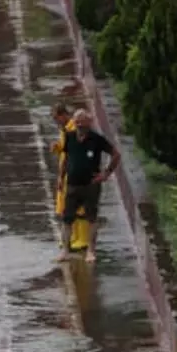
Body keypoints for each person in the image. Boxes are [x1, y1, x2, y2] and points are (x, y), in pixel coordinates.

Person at [56, 109, 120, 263]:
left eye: (82, 121)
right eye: (77, 121)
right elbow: (66, 159)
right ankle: (65, 250)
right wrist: (61, 177)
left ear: (89, 122)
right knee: (67, 219)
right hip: (72, 184)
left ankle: (91, 251)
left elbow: (116, 154)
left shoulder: (96, 139)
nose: (79, 124)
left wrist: (106, 173)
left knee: (91, 218)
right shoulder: (69, 137)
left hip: (90, 185)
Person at [50, 102, 89, 253]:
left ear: (63, 115)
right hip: (68, 172)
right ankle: (73, 237)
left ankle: (82, 239)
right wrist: (57, 147)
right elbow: (64, 148)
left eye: (56, 118)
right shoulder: (66, 129)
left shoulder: (73, 130)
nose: (56, 122)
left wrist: (61, 177)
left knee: (78, 207)